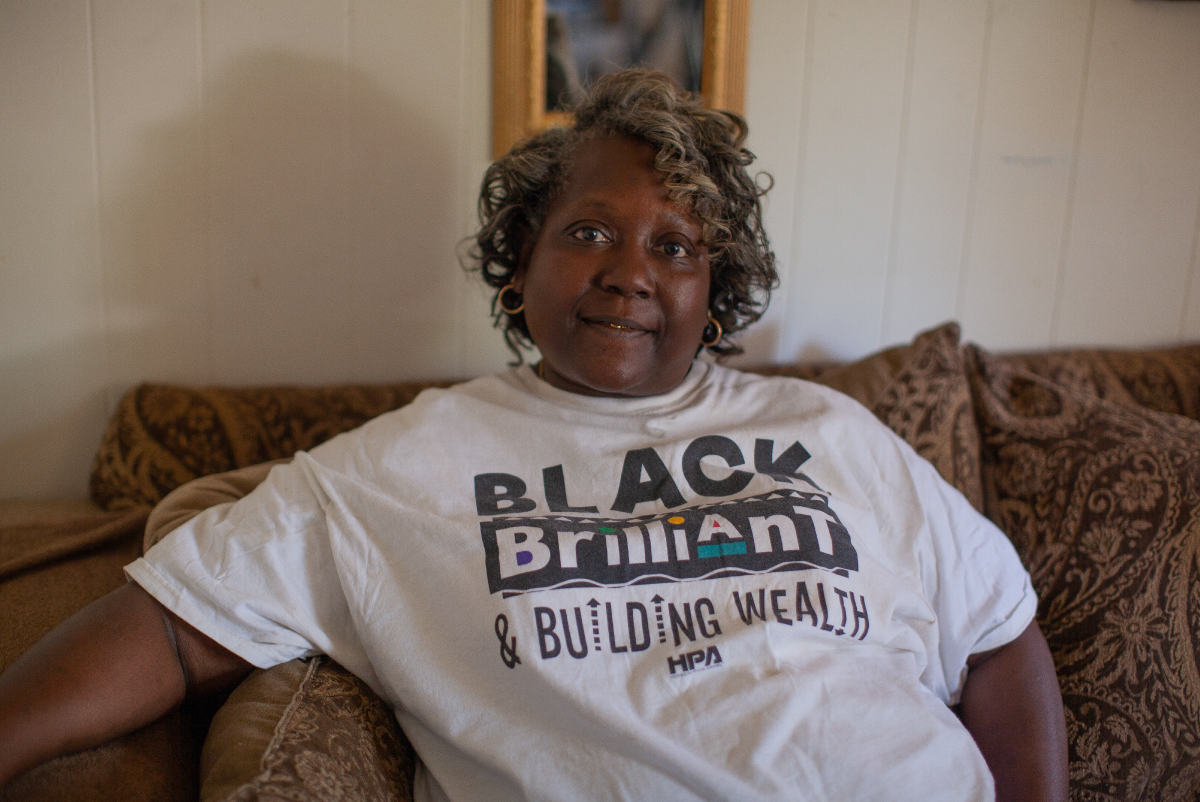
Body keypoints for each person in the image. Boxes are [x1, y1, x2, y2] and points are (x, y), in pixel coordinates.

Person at [0, 69, 1067, 801]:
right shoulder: (403, 466)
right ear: (522, 262)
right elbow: (173, 629)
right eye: (590, 230)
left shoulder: (833, 431)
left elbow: (998, 631)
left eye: (676, 247)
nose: (630, 271)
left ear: (718, 290)